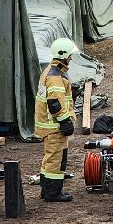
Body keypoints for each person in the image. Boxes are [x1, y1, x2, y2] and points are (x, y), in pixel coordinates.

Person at [34, 38, 78, 203]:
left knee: (49, 157)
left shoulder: (50, 71)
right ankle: (53, 193)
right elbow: (55, 103)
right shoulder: (56, 77)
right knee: (56, 159)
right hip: (55, 127)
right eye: (70, 55)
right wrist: (65, 121)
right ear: (64, 55)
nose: (71, 58)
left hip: (48, 126)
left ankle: (47, 190)